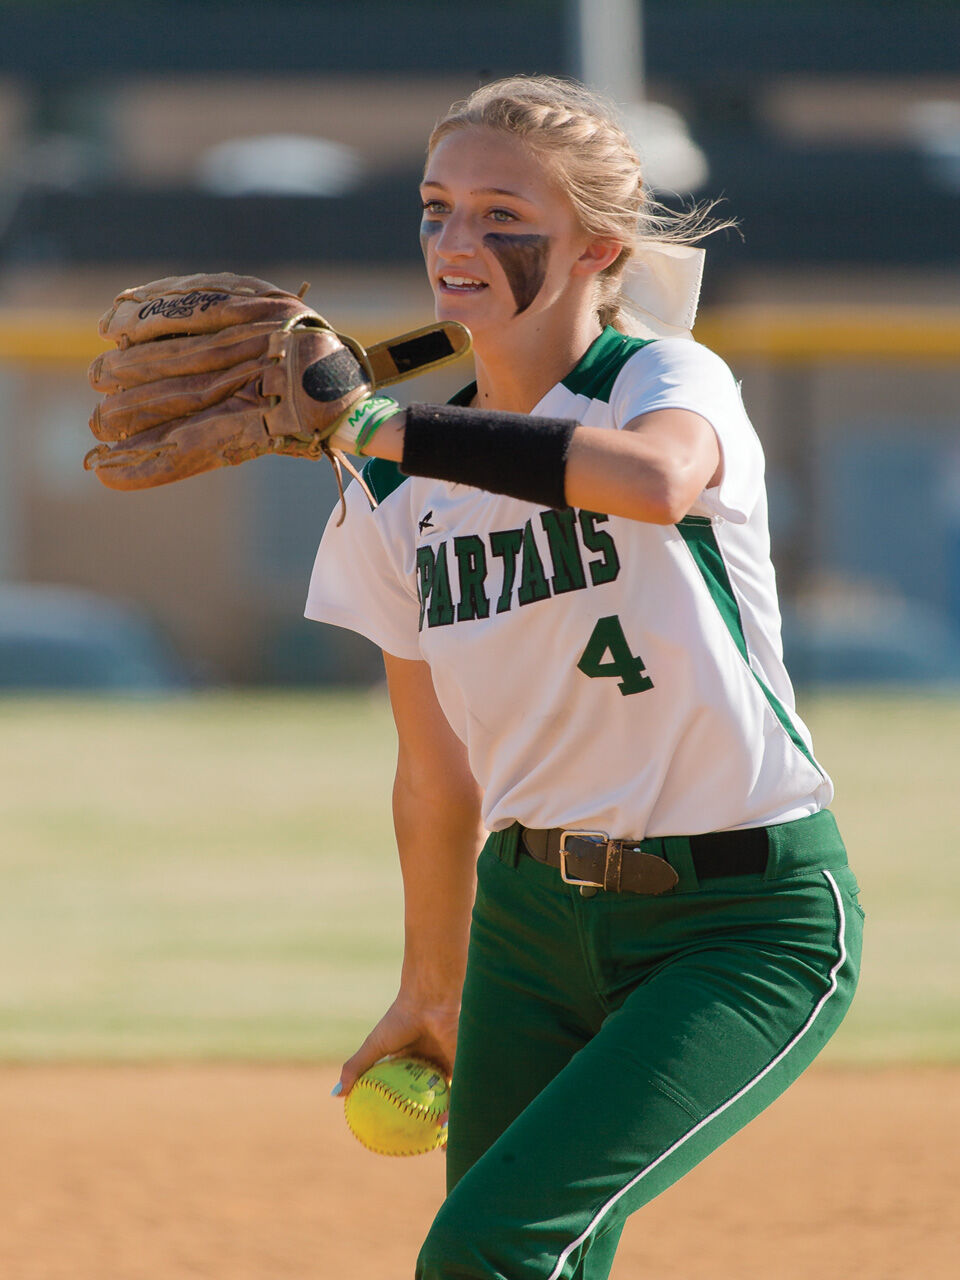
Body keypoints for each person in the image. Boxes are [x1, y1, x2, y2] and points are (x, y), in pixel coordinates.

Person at [304, 75, 863, 1280]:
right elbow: (433, 770)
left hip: (740, 918)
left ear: (598, 247)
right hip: (528, 921)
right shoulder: (394, 493)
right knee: (535, 1260)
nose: (456, 240)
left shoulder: (662, 379)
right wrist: (431, 983)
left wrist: (378, 423)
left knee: (490, 1249)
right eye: (436, 206)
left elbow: (655, 482)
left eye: (501, 214)